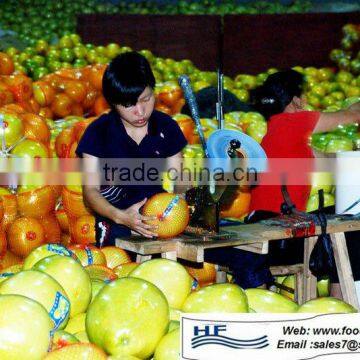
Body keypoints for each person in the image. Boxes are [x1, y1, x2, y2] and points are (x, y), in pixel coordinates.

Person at [248, 69, 360, 298]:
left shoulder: (278, 132)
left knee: (347, 218)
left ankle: (337, 305)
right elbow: (352, 116)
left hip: (273, 232)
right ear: (297, 100)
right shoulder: (293, 122)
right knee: (352, 230)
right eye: (305, 95)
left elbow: (333, 163)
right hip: (278, 236)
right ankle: (343, 305)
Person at [76, 52, 188, 247]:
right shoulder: (98, 133)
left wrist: (177, 205)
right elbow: (91, 191)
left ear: (154, 91)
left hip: (159, 215)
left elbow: (181, 177)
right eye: (128, 105)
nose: (140, 111)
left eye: (145, 99)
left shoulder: (166, 127)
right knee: (120, 263)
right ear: (113, 103)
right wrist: (122, 217)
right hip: (114, 218)